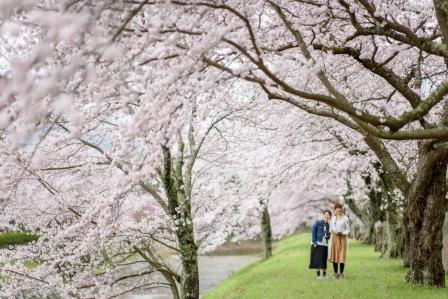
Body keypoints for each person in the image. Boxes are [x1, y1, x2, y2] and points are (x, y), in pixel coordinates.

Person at [329, 203, 350, 279]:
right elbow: (331, 228)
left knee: (342, 256)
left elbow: (348, 229)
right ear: (335, 209)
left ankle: (341, 273)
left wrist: (343, 233)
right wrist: (336, 232)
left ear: (341, 209)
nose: (338, 209)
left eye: (339, 208)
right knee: (334, 255)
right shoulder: (333, 218)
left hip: (343, 238)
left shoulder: (345, 218)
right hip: (335, 238)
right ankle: (335, 273)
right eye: (336, 208)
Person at [309, 210, 332, 279]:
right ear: (323, 215)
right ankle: (318, 276)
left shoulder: (328, 225)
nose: (327, 216)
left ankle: (324, 275)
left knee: (324, 260)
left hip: (325, 244)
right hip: (318, 243)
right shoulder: (318, 222)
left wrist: (328, 236)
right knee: (317, 260)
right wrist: (314, 242)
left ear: (330, 217)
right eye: (325, 214)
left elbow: (329, 235)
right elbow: (313, 231)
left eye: (328, 215)